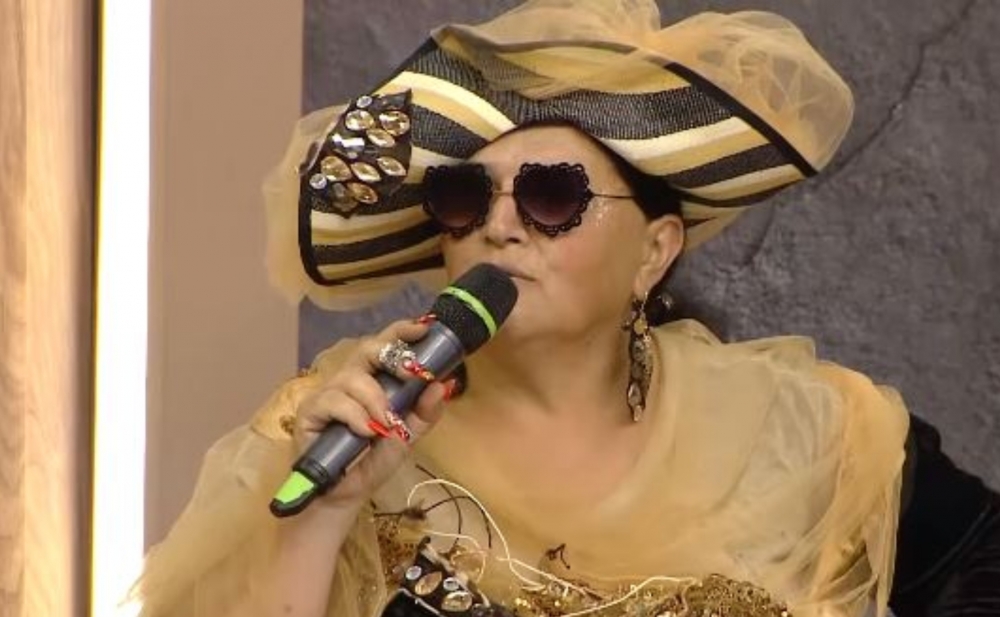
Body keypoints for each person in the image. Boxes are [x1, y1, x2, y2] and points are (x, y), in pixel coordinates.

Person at [131, 1, 944, 615]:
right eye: (463, 197)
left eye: (552, 195)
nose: (500, 225)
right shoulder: (340, 427)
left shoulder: (802, 434)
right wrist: (321, 517)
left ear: (654, 252)